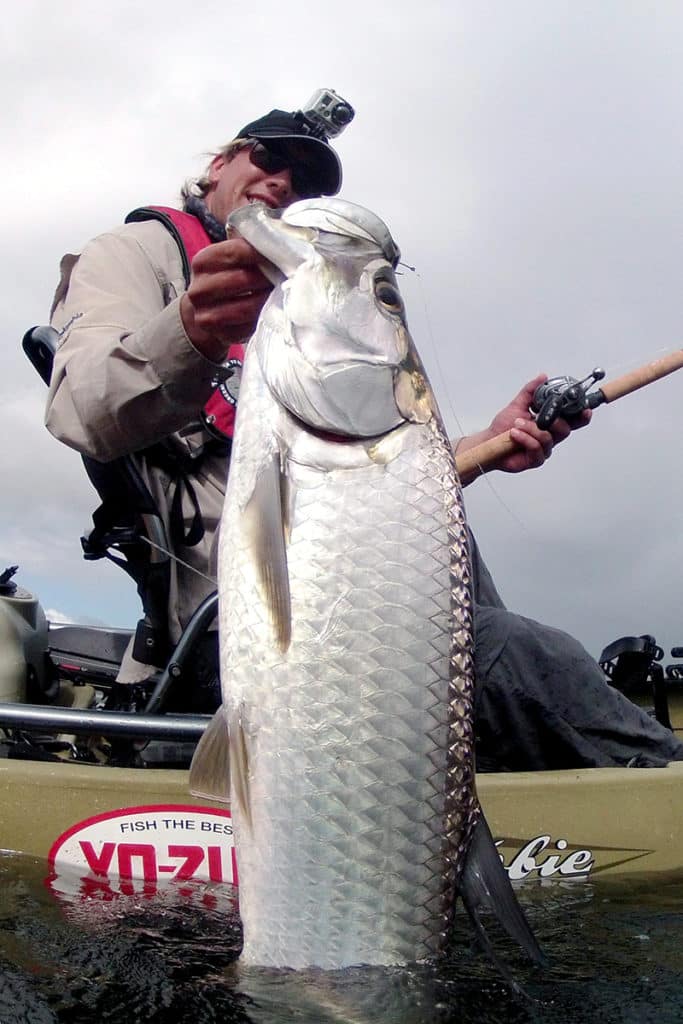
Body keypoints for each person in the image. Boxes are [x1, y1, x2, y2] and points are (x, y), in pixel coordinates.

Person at [45, 98, 683, 768]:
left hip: (375, 593)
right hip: (250, 619)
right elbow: (81, 411)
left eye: (310, 181)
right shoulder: (133, 254)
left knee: (484, 627)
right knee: (512, 655)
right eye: (268, 157)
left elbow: (368, 469)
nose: (286, 182)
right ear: (218, 164)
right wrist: (194, 329)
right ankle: (658, 789)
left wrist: (489, 444)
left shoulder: (328, 302)